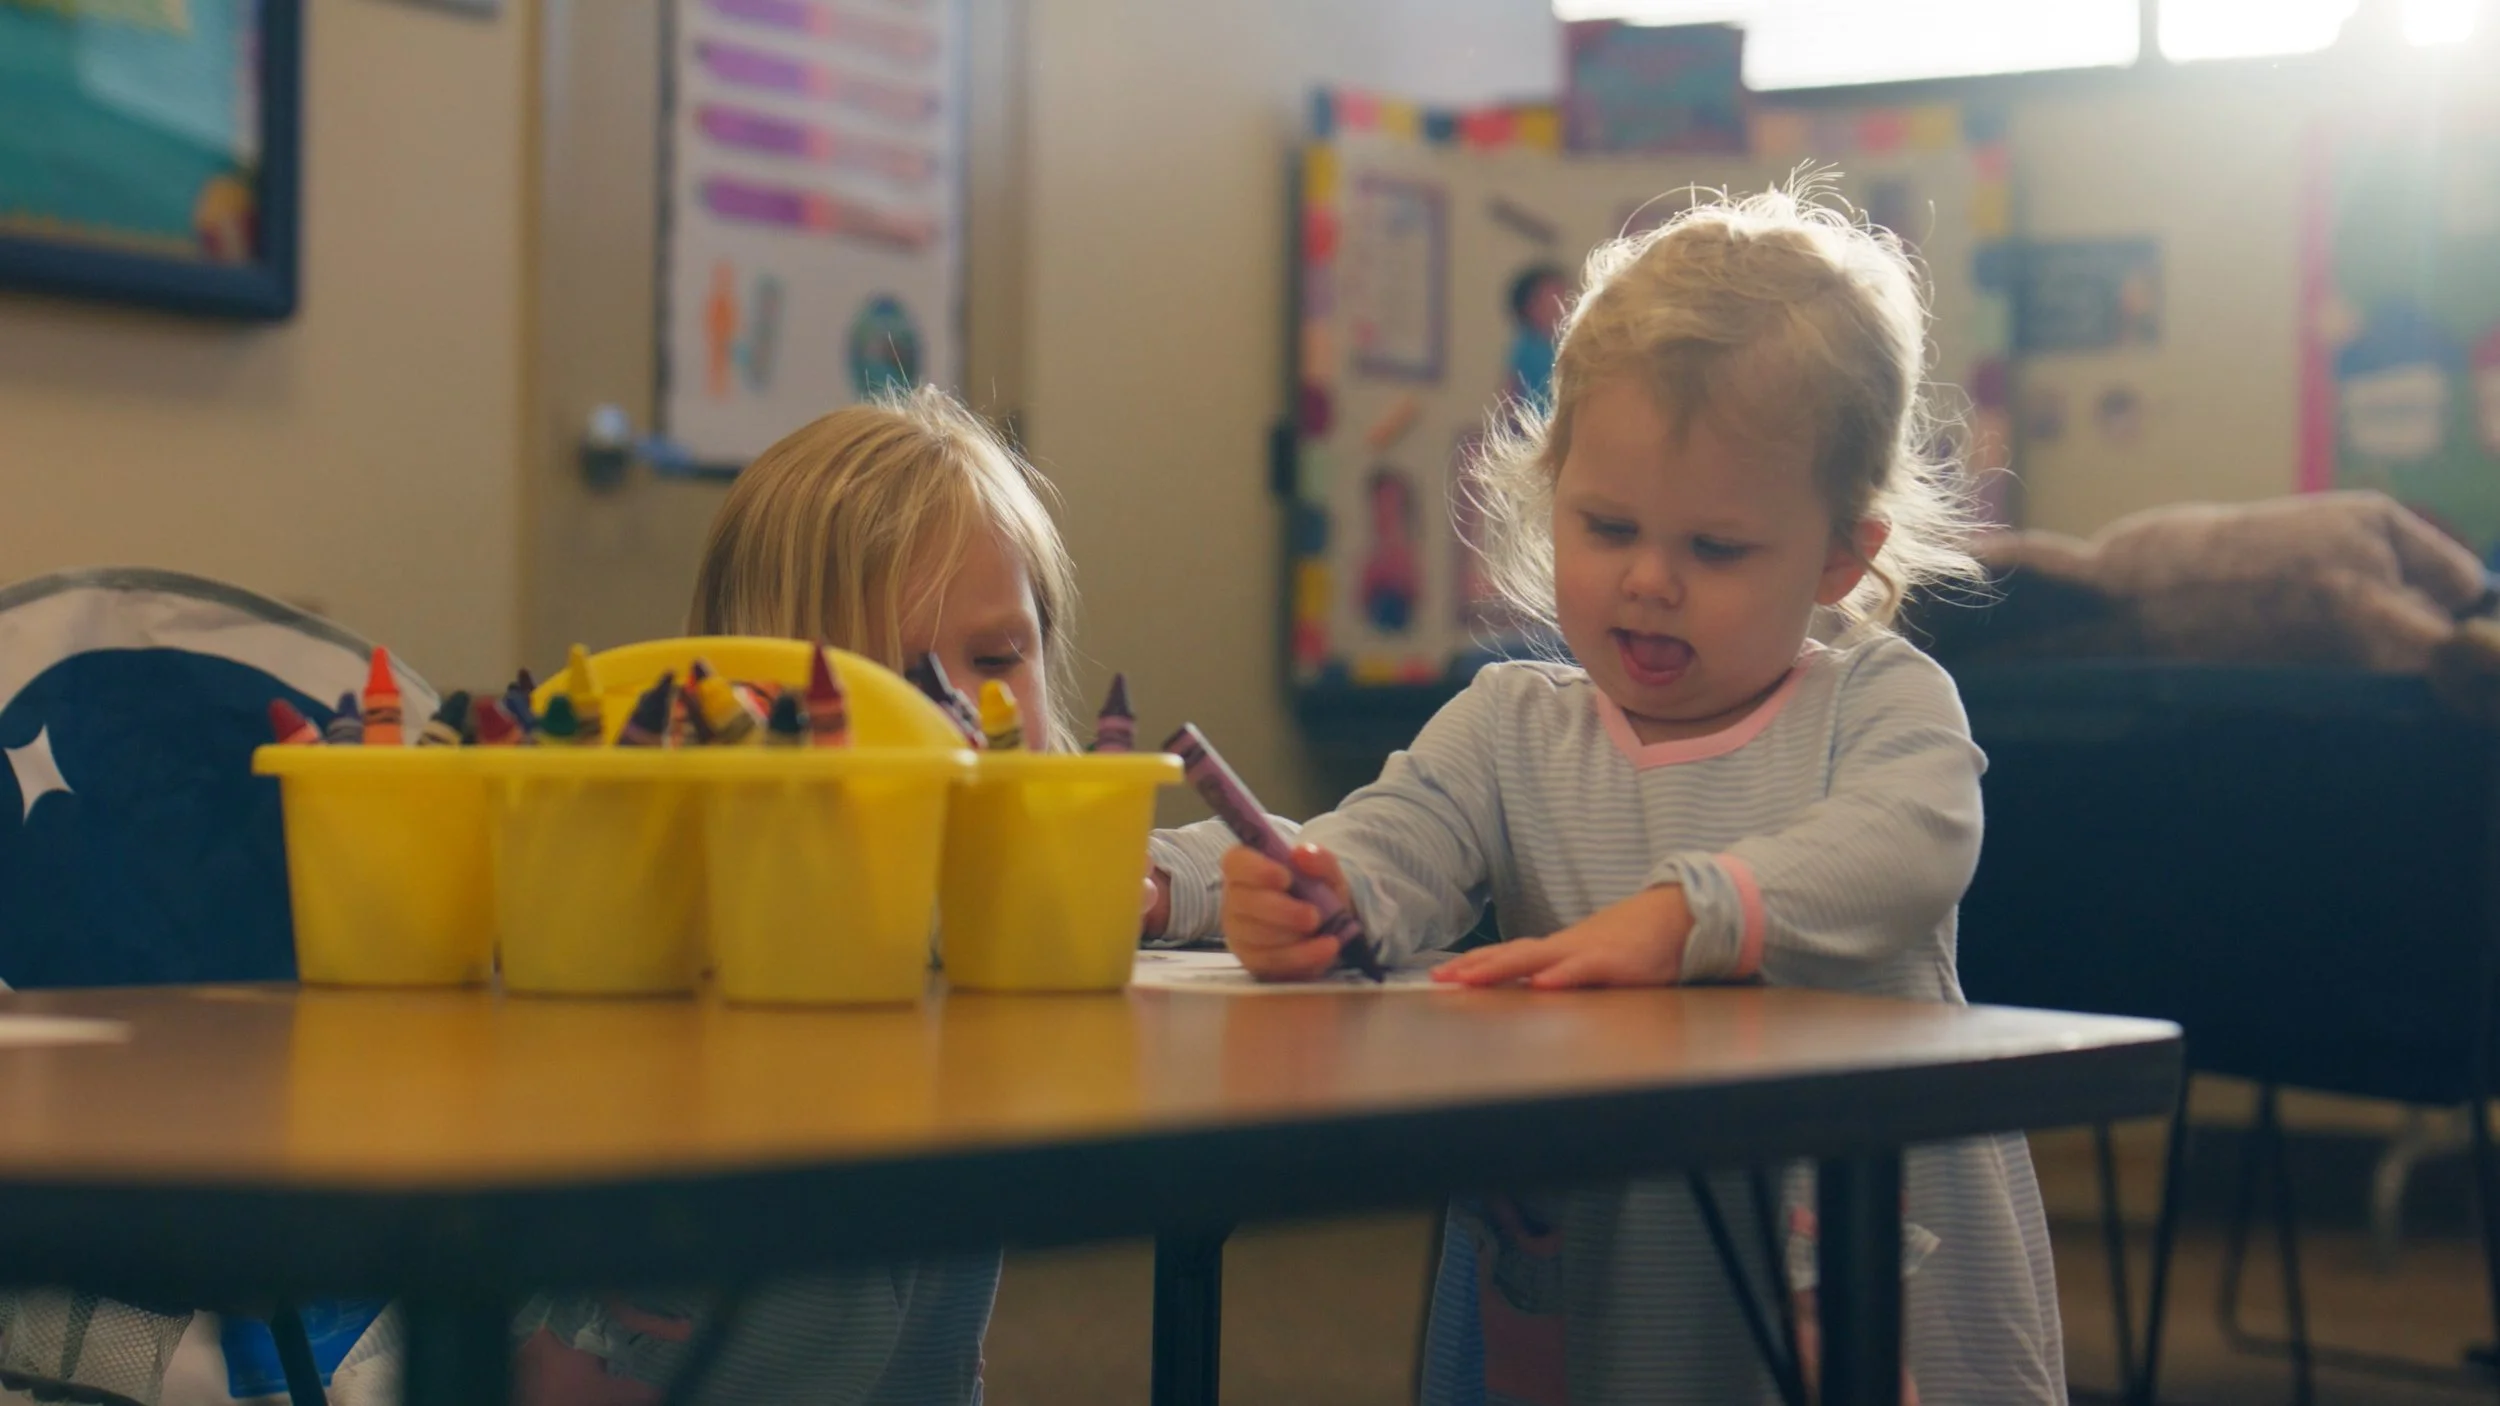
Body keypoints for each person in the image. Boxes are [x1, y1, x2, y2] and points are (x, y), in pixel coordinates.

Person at [1218, 182, 2064, 1404]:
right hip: (1623, 1263)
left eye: (1715, 549)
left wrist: (1684, 915)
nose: (1649, 581)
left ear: (1841, 552)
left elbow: (1911, 839)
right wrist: (1306, 891)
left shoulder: (1880, 698)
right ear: (1544, 487)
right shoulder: (1508, 725)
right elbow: (1384, 843)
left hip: (1870, 1272)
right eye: (1605, 524)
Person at [516, 386, 1241, 1405]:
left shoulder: (1013, 881)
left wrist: (1157, 887)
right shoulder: (696, 891)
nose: (957, 716)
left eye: (996, 659)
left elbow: (1273, 852)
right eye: (890, 685)